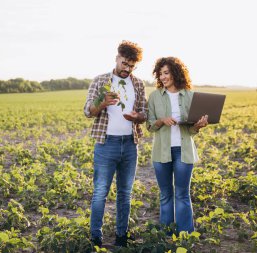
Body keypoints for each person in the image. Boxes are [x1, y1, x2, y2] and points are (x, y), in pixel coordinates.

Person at [83, 40, 147, 248]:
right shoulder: (101, 81)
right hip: (106, 144)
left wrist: (138, 116)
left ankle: (121, 236)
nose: (127, 69)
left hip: (130, 144)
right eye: (124, 63)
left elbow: (144, 114)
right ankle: (95, 237)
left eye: (131, 66)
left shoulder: (138, 84)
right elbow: (87, 112)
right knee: (100, 192)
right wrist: (103, 102)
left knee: (125, 193)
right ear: (117, 58)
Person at [146, 57, 208, 234]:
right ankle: (166, 234)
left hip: (184, 151)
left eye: (166, 73)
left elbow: (191, 130)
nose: (163, 77)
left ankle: (185, 235)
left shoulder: (189, 95)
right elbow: (149, 126)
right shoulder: (155, 97)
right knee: (165, 195)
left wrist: (198, 125)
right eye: (160, 74)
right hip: (161, 152)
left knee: (182, 194)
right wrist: (161, 120)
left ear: (176, 72)